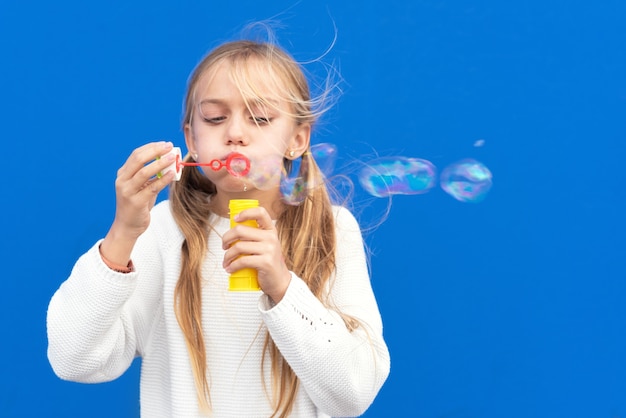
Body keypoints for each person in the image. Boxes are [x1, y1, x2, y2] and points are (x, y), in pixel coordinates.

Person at [47, 30, 390, 418]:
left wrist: (282, 287)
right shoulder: (161, 231)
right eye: (215, 118)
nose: (235, 134)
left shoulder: (332, 230)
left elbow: (354, 393)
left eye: (259, 117)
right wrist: (123, 231)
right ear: (191, 139)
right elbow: (73, 360)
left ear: (297, 139)